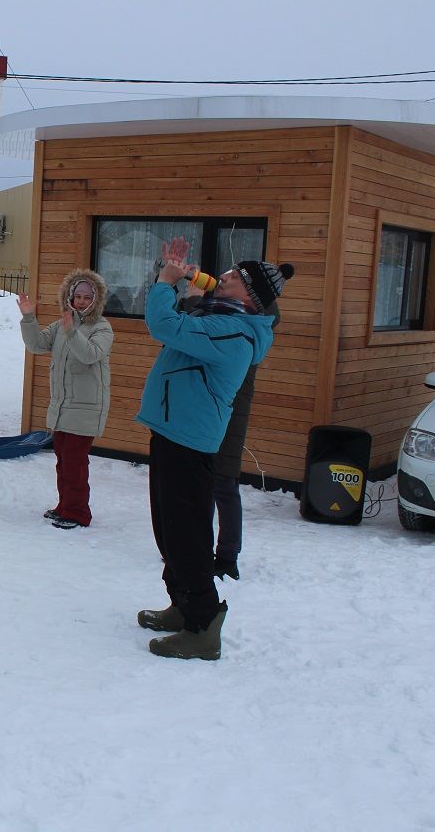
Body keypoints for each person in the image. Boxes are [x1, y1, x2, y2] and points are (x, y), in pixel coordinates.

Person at [136, 237, 291, 660]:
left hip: (189, 438)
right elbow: (188, 329)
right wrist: (189, 291)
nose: (224, 277)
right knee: (170, 527)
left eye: (236, 278)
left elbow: (165, 327)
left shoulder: (236, 331)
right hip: (173, 429)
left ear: (253, 298)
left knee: (186, 532)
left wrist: (165, 284)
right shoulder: (220, 317)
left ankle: (203, 625)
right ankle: (182, 606)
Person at [179, 286, 281, 582]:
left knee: (222, 483)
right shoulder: (242, 318)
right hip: (214, 408)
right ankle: (200, 547)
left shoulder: (250, 327)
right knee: (205, 484)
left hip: (229, 412)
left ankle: (226, 556)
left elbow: (200, 332)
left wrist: (194, 299)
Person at [17, 269, 113, 529]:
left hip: (85, 409)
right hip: (62, 407)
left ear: (96, 300)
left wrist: (72, 332)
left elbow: (91, 354)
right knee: (63, 463)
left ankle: (78, 513)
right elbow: (36, 344)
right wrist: (28, 317)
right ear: (69, 297)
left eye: (86, 297)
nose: (81, 301)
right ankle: (65, 506)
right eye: (77, 296)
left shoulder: (101, 327)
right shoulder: (62, 325)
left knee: (75, 465)